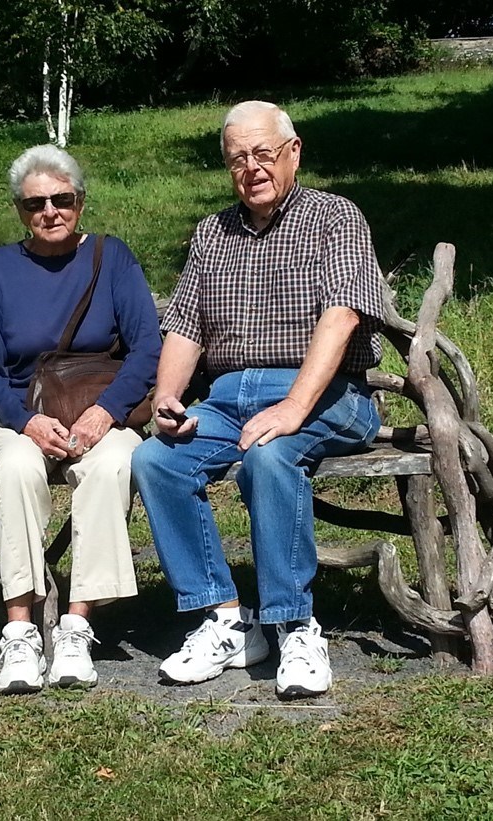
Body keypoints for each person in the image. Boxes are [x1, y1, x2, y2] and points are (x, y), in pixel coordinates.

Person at [131, 101, 384, 699]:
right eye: (238, 158)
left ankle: (296, 625)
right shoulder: (211, 234)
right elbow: (186, 326)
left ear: (293, 152)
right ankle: (225, 619)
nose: (252, 168)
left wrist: (294, 407)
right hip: (225, 399)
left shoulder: (334, 218)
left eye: (263, 154)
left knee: (270, 456)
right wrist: (167, 395)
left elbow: (342, 314)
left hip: (326, 394)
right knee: (156, 461)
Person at [0, 144, 161, 695]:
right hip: (20, 417)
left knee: (114, 464)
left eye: (62, 199)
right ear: (19, 211)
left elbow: (146, 347)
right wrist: (25, 422)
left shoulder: (111, 256)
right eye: (35, 204)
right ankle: (21, 632)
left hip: (102, 411)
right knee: (17, 471)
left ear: (80, 201)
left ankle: (77, 624)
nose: (49, 212)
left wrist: (107, 412)